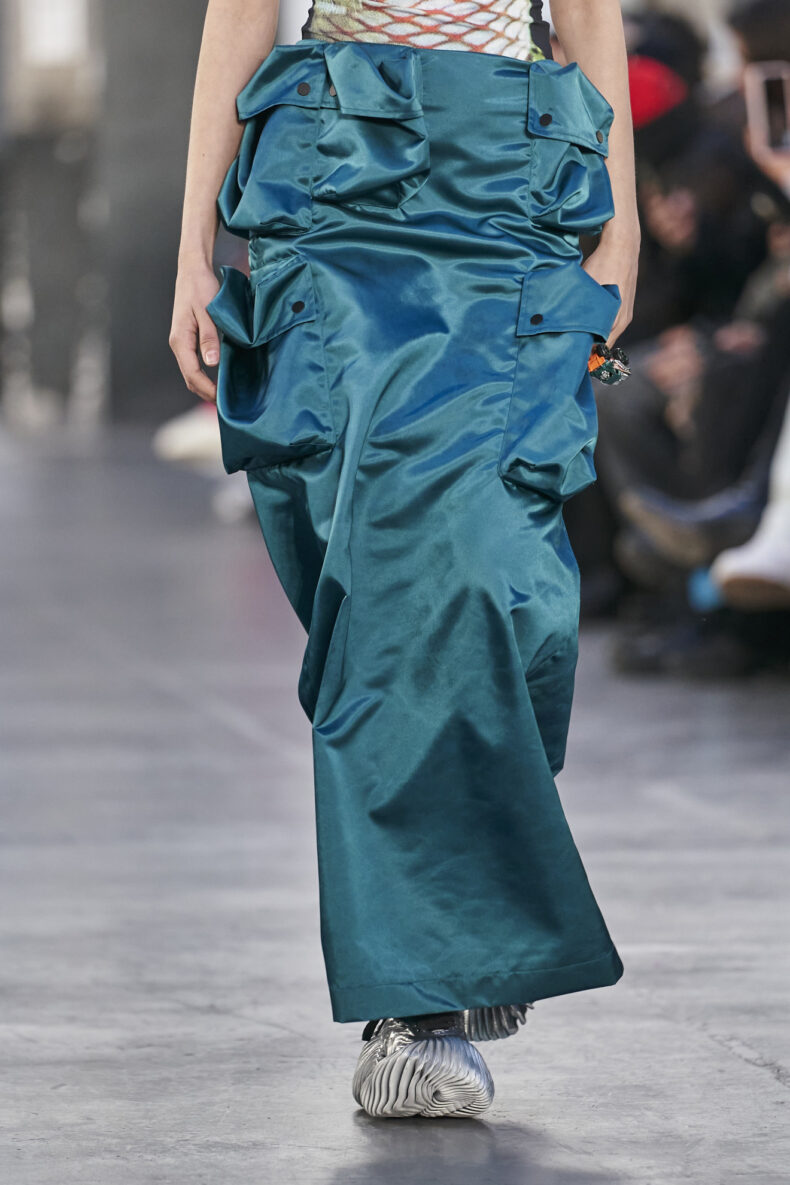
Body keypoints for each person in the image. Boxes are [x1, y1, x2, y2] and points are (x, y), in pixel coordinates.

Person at [169, 0, 639, 1118]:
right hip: (338, 178)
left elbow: (587, 14)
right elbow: (238, 13)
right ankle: (420, 1008)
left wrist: (621, 236)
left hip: (512, 178)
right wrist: (191, 249)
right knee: (395, 578)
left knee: (500, 579)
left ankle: (461, 923)